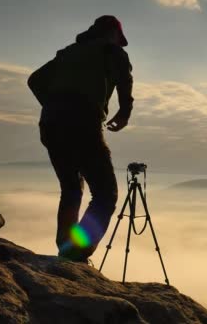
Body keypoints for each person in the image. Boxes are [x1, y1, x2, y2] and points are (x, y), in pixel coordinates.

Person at [28, 15, 134, 262]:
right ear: (113, 34)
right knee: (105, 194)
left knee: (71, 188)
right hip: (83, 122)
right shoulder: (111, 51)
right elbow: (124, 80)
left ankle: (65, 249)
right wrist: (124, 112)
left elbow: (34, 80)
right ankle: (76, 254)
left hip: (51, 124)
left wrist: (54, 103)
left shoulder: (68, 52)